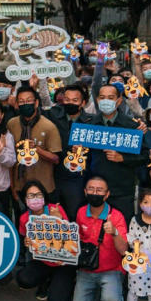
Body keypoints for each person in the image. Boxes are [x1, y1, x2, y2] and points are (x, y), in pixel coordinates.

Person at [72, 176, 128, 301]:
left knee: (111, 300)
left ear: (107, 194)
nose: (95, 193)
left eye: (99, 190)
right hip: (87, 268)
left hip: (111, 270)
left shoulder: (116, 216)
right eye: (91, 189)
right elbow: (75, 240)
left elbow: (123, 250)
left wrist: (115, 232)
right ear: (85, 191)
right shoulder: (81, 212)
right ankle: (97, 292)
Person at [89, 83, 147, 221]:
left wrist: (123, 158)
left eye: (110, 97)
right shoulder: (89, 126)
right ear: (97, 100)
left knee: (122, 231)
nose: (106, 101)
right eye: (102, 97)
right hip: (96, 190)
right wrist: (77, 151)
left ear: (119, 100)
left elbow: (145, 156)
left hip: (122, 190)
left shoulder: (132, 126)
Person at [14, 179, 74, 301]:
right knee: (23, 279)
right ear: (25, 199)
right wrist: (27, 242)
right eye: (31, 195)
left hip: (62, 262)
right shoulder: (24, 218)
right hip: (42, 260)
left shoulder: (55, 209)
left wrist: (59, 220)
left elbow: (70, 239)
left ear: (44, 196)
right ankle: (45, 279)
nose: (35, 199)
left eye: (39, 195)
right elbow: (27, 240)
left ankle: (65, 281)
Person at [8, 86, 63, 208]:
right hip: (20, 186)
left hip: (44, 187)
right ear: (16, 104)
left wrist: (37, 149)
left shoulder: (48, 126)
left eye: (28, 101)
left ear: (36, 102)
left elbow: (56, 159)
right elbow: (10, 158)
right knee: (21, 222)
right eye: (21, 102)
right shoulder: (12, 124)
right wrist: (12, 187)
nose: (25, 104)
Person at [46, 84, 95, 219]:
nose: (70, 103)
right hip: (55, 175)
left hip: (79, 178)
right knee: (54, 216)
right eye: (67, 99)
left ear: (83, 102)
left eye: (75, 100)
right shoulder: (54, 115)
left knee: (75, 216)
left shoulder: (92, 121)